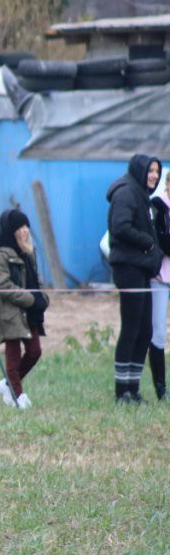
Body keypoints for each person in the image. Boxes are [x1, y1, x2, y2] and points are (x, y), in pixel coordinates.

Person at [107, 154, 163, 403]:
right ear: (140, 170)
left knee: (145, 329)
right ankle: (122, 392)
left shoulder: (141, 194)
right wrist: (149, 243)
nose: (154, 175)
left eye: (157, 171)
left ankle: (133, 388)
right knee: (131, 328)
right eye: (150, 170)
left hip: (142, 269)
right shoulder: (126, 192)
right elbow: (120, 227)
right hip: (128, 268)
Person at [0, 209, 48, 409]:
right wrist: (29, 298)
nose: (25, 231)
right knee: (12, 354)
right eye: (19, 227)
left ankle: (7, 384)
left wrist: (41, 298)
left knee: (35, 351)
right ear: (10, 230)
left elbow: (36, 280)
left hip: (29, 312)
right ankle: (17, 395)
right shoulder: (0, 253)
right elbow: (0, 283)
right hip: (9, 312)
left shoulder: (29, 251)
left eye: (26, 226)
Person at [149, 170, 170, 400]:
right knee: (159, 333)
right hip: (159, 278)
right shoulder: (158, 206)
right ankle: (161, 388)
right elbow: (161, 241)